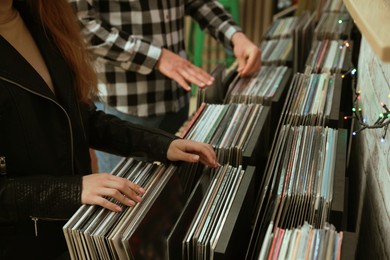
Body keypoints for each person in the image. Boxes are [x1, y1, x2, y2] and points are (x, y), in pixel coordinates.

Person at [0, 0, 219, 259]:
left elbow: (85, 120)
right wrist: (73, 189)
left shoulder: (42, 18)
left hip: (70, 229)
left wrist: (162, 144)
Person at [69, 0, 262, 173]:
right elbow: (80, 26)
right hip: (124, 107)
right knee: (130, 202)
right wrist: (156, 57)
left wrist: (236, 37)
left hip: (177, 98)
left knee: (174, 191)